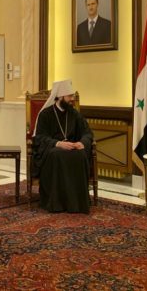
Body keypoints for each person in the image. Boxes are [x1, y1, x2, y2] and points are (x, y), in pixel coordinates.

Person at [32, 79, 93, 213]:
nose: (72, 99)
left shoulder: (74, 114)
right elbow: (40, 138)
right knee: (57, 154)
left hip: (72, 148)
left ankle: (77, 202)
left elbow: (87, 133)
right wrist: (58, 144)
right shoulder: (45, 114)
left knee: (81, 154)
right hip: (53, 151)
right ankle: (57, 203)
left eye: (72, 96)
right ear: (60, 97)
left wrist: (82, 143)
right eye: (69, 96)